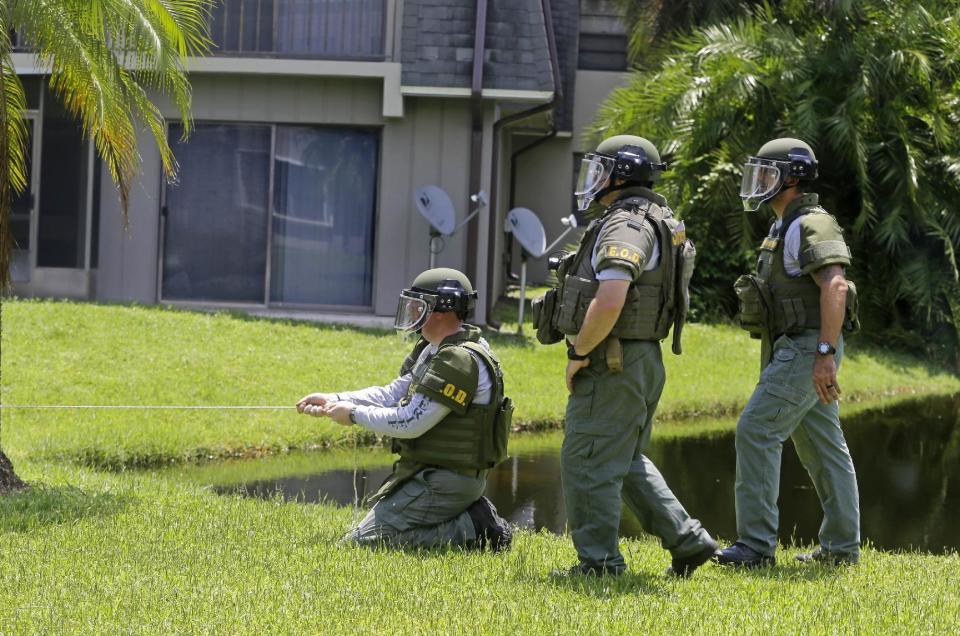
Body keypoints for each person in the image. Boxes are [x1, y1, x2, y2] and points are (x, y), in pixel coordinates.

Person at [535, 135, 718, 578]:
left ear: (622, 175)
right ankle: (687, 541)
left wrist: (580, 350)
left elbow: (612, 297)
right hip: (640, 360)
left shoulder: (625, 225)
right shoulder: (655, 219)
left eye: (600, 169)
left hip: (612, 360)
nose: (591, 179)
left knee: (587, 458)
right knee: (625, 459)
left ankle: (599, 564)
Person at [716, 138, 861, 568]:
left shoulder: (809, 224)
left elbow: (835, 285)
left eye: (766, 173)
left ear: (790, 178)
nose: (757, 181)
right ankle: (841, 549)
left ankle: (756, 547)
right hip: (798, 347)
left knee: (756, 430)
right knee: (821, 443)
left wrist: (823, 354)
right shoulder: (784, 225)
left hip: (807, 348)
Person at [297, 268, 514, 552]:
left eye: (419, 304)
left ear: (441, 310)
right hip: (430, 472)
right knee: (367, 537)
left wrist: (352, 415)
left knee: (363, 544)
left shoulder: (458, 360)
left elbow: (411, 421)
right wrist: (333, 399)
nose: (411, 310)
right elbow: (391, 393)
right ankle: (467, 517)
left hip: (448, 480)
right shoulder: (437, 349)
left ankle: (475, 527)